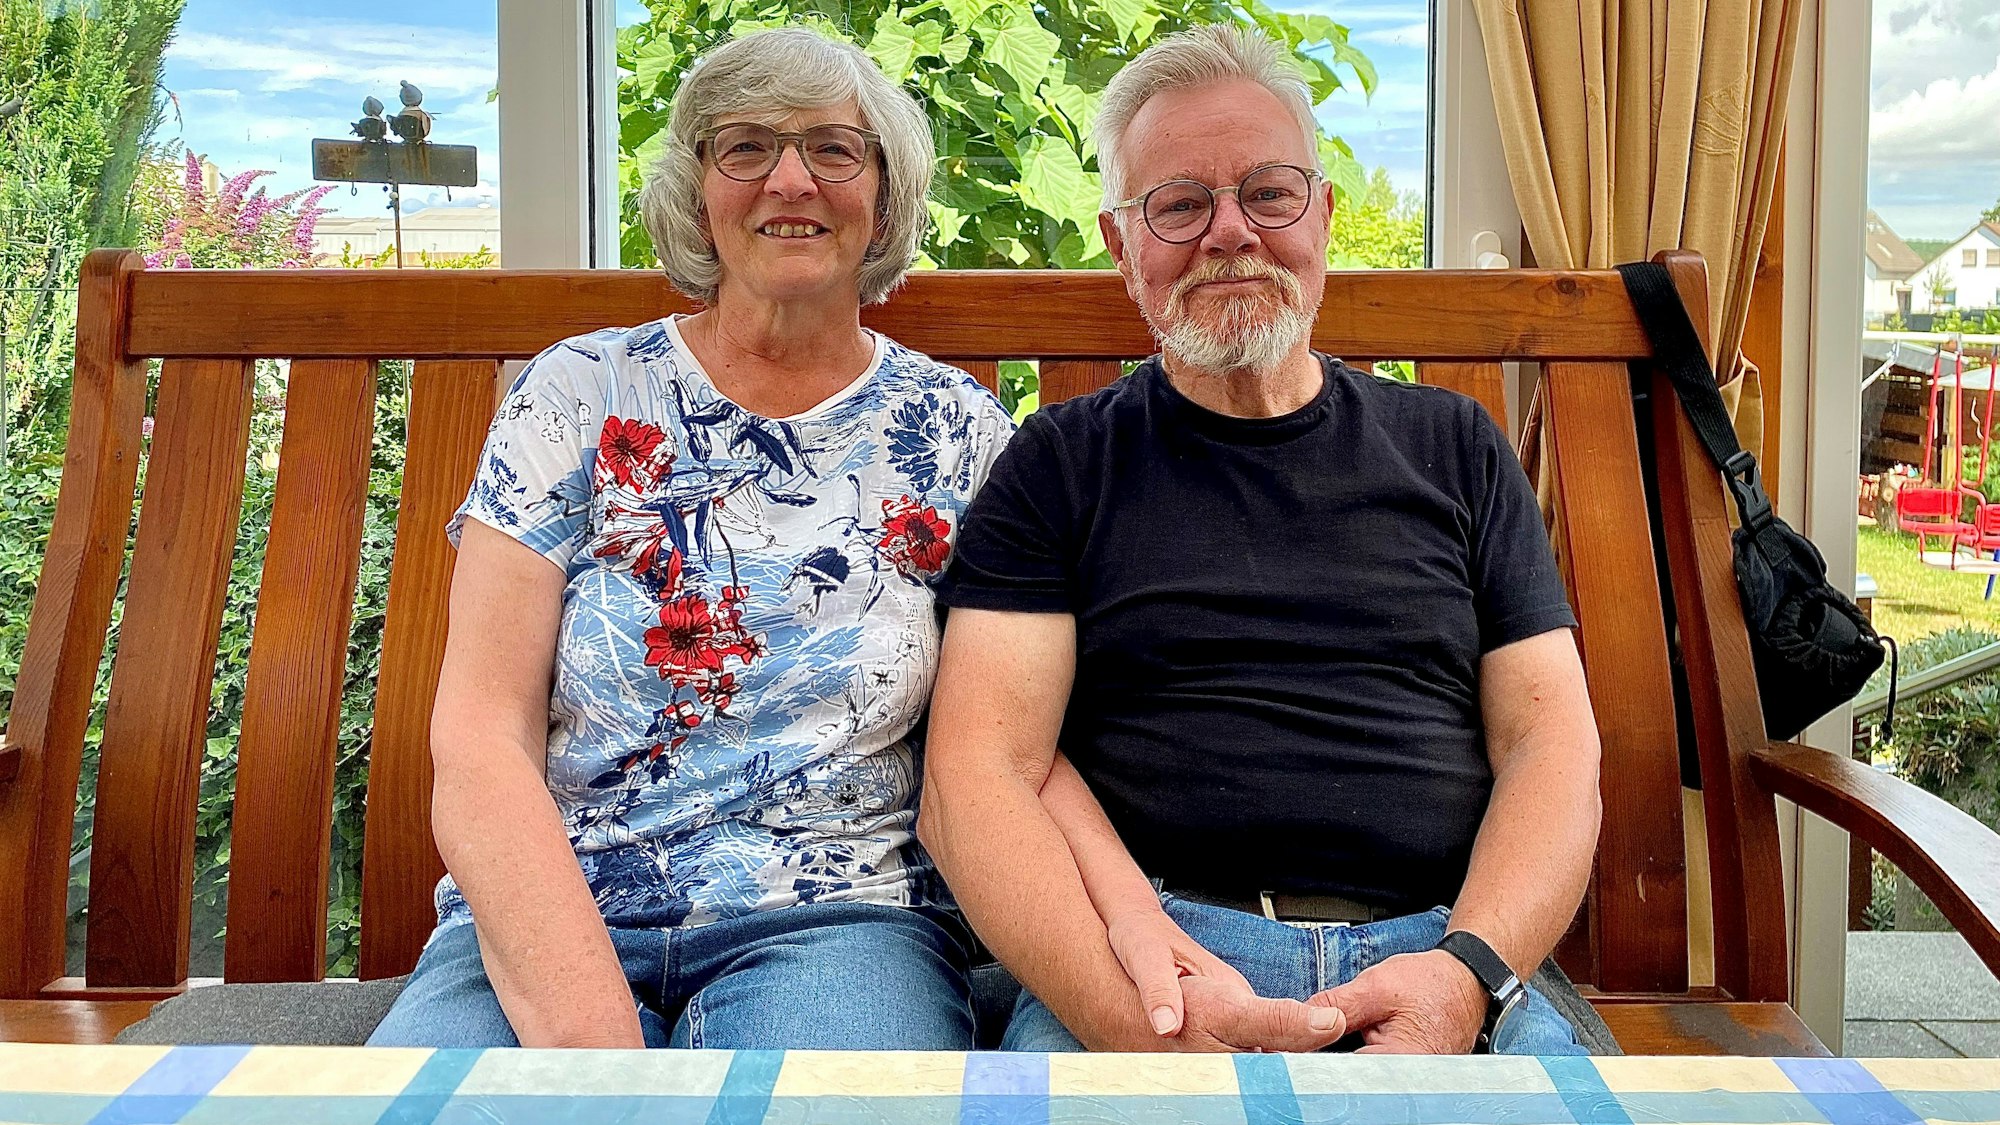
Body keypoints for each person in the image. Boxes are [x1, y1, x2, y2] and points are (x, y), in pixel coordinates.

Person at [920, 23, 1602, 1055]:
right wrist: (1136, 1017)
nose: (1227, 232)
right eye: (1178, 204)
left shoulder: (1452, 447)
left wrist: (1466, 975)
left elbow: (1548, 744)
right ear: (1121, 247)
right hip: (1157, 955)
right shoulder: (1057, 466)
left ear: (1322, 214)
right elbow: (975, 778)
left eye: (1268, 193)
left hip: (1442, 945)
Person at [367, 26, 1013, 1050]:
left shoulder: (958, 431)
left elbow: (997, 749)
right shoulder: (581, 391)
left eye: (833, 150)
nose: (789, 179)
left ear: (883, 194)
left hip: (838, 921)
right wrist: (591, 1046)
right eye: (745, 147)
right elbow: (480, 732)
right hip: (557, 903)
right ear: (697, 191)